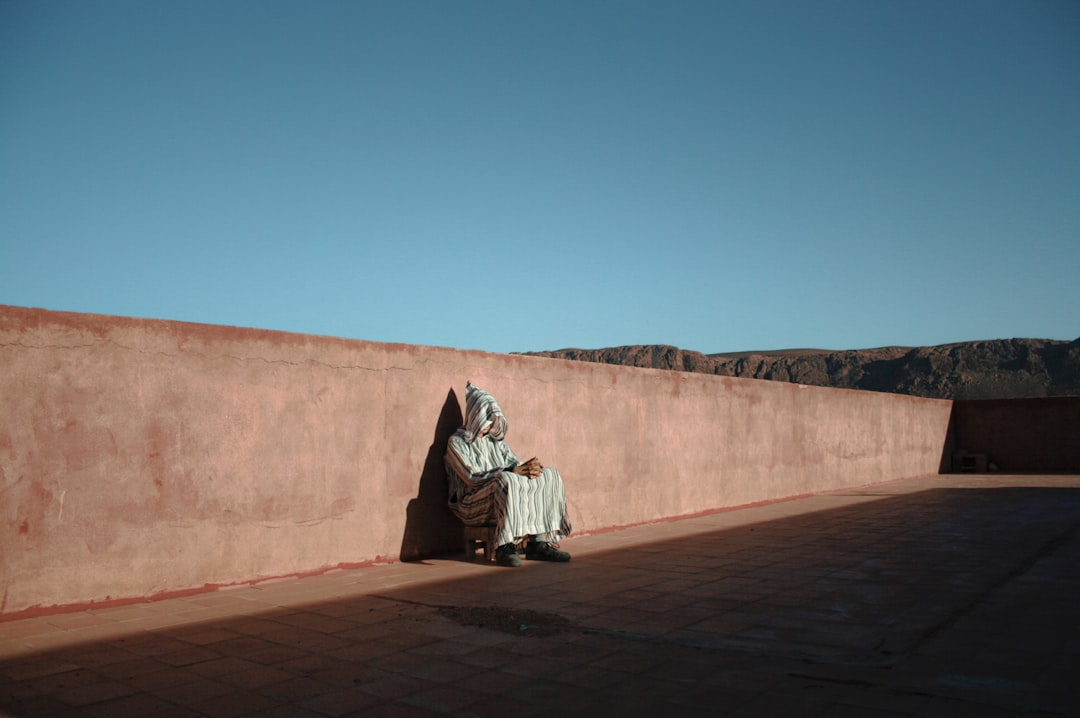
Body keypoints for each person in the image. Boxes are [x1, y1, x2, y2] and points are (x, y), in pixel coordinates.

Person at [445, 381, 572, 566]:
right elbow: (472, 479)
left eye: (493, 420)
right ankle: (504, 547)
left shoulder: (498, 444)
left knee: (549, 475)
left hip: (502, 497)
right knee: (504, 480)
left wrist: (530, 469)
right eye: (486, 420)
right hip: (471, 504)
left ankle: (539, 544)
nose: (489, 425)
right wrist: (511, 471)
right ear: (474, 416)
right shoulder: (457, 443)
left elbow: (515, 465)